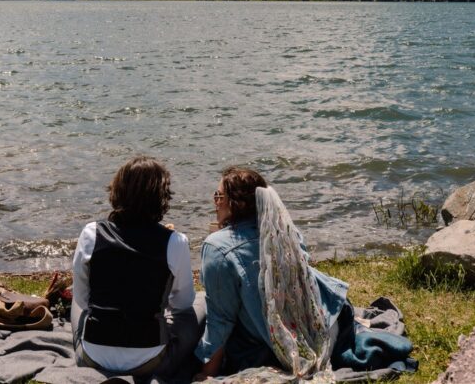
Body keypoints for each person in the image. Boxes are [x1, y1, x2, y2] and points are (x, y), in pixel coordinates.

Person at [194, 167, 351, 379]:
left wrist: (207, 372)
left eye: (219, 196)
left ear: (235, 204)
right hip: (328, 321)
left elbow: (220, 318)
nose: (215, 203)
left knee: (202, 304)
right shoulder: (284, 229)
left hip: (278, 346)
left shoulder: (218, 247)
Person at [71, 156, 205, 378]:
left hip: (92, 356)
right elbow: (181, 304)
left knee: (78, 303)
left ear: (117, 191)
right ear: (161, 197)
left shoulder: (91, 233)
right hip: (151, 361)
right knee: (199, 303)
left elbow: (84, 300)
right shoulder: (175, 241)